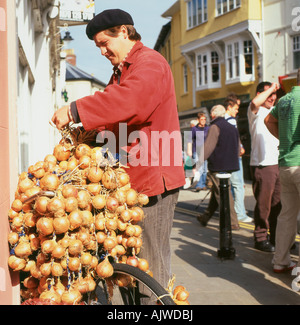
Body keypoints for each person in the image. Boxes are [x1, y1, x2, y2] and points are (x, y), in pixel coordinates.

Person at [51, 9, 186, 302]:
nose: (102, 51)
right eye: (97, 46)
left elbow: (130, 102)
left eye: (104, 43)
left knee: (150, 268)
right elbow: (113, 121)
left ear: (124, 32)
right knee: (130, 265)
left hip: (153, 180)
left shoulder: (149, 63)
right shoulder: (122, 71)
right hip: (131, 182)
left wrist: (76, 110)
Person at [264, 81, 300, 273]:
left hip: (285, 163)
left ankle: (280, 261)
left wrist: (284, 139)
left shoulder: (285, 100)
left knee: (287, 215)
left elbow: (268, 120)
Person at [247, 81, 281, 252]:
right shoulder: (255, 111)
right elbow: (254, 102)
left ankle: (276, 238)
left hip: (277, 163)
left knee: (278, 205)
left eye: (275, 94)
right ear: (260, 94)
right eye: (269, 94)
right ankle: (260, 238)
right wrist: (271, 89)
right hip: (263, 165)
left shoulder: (274, 112)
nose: (273, 97)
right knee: (263, 205)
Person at [196, 105, 240, 230]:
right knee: (217, 192)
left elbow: (208, 147)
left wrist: (197, 163)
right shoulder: (232, 127)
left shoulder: (215, 127)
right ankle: (205, 217)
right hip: (230, 164)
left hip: (218, 166)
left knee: (223, 194)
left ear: (213, 115)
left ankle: (232, 221)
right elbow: (238, 146)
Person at [224, 94, 253, 223]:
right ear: (229, 106)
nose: (237, 111)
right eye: (236, 108)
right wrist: (240, 149)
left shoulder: (222, 120)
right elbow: (233, 139)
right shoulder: (230, 120)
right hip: (234, 158)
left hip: (227, 158)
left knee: (229, 187)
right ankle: (240, 213)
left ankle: (232, 212)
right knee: (239, 186)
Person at [187, 113, 210, 191]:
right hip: (196, 150)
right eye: (201, 119)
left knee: (204, 168)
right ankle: (199, 185)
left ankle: (203, 184)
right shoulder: (194, 129)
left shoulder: (208, 128)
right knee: (198, 167)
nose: (203, 121)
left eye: (204, 119)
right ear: (198, 120)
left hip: (205, 150)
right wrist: (189, 150)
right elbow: (189, 139)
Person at [183, 119, 199, 189]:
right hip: (192, 151)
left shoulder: (193, 131)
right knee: (191, 166)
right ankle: (191, 180)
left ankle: (191, 179)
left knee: (190, 166)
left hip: (192, 151)